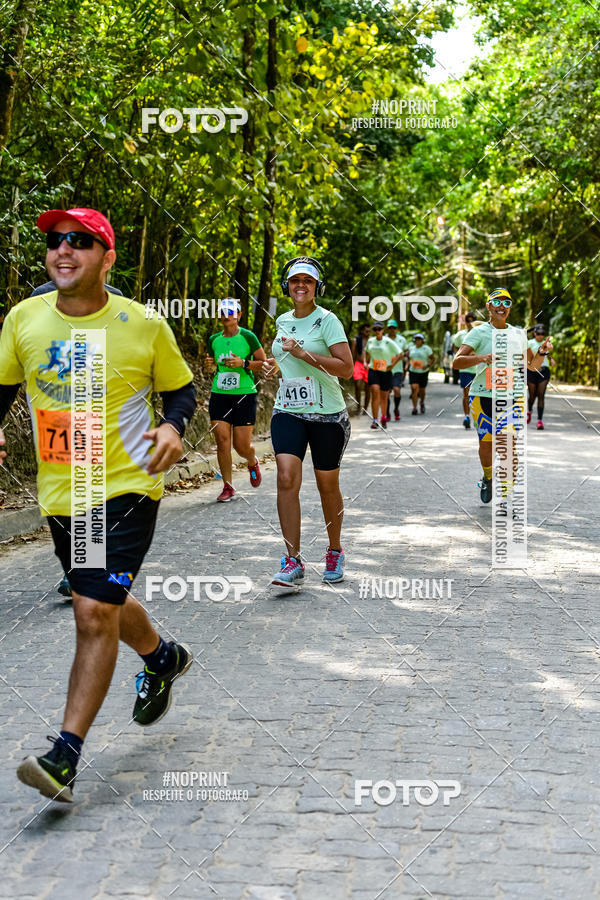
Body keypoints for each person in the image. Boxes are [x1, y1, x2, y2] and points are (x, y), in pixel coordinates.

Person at [1, 207, 196, 803]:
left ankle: (65, 755)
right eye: (57, 241)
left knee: (90, 612)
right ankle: (162, 657)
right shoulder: (24, 320)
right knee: (102, 601)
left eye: (81, 242)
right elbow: (4, 388)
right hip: (65, 491)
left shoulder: (141, 324)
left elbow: (182, 388)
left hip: (129, 486)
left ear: (107, 258)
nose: (65, 250)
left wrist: (173, 426)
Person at [269, 256, 353, 588]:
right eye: (294, 280)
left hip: (327, 414)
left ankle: (334, 550)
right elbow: (286, 360)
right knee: (287, 477)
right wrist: (273, 367)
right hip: (288, 410)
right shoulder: (282, 319)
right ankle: (292, 561)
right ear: (287, 286)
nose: (300, 285)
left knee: (326, 485)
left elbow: (346, 368)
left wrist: (307, 355)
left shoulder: (327, 321)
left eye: (307, 280)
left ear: (317, 286)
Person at [453, 287, 549, 502]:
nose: (502, 307)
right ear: (488, 306)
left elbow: (531, 366)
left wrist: (542, 352)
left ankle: (505, 496)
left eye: (507, 303)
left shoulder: (518, 333)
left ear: (510, 308)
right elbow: (457, 361)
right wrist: (482, 358)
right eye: (497, 302)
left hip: (512, 397)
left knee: (508, 443)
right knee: (486, 444)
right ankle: (488, 477)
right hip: (482, 396)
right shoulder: (478, 332)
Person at [204, 298, 273, 501]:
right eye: (223, 312)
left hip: (244, 394)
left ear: (239, 315)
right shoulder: (214, 339)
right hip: (220, 394)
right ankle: (228, 485)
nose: (226, 315)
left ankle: (252, 460)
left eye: (231, 312)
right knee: (222, 441)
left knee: (241, 446)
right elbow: (210, 365)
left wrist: (243, 363)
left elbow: (265, 363)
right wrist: (208, 365)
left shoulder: (248, 337)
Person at [365, 322, 402, 430]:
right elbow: (367, 353)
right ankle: (375, 420)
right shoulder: (371, 341)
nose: (377, 331)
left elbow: (400, 354)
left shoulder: (388, 342)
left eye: (379, 329)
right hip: (373, 370)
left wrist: (392, 365)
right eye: (375, 329)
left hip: (385, 371)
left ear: (383, 330)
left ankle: (384, 417)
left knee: (384, 396)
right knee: (375, 391)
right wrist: (365, 363)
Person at [451, 312, 478, 428]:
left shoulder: (481, 334)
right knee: (466, 393)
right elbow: (455, 348)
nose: (470, 324)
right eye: (468, 321)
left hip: (479, 369)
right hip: (465, 369)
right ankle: (467, 416)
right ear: (465, 322)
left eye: (472, 321)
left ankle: (478, 417)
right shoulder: (460, 335)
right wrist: (464, 355)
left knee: (478, 395)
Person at [527, 324, 555, 430]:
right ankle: (529, 411)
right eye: (538, 333)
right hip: (531, 371)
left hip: (544, 371)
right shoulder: (529, 343)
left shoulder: (547, 343)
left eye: (542, 334)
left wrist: (551, 358)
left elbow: (547, 352)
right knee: (532, 395)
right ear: (534, 333)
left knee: (541, 394)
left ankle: (539, 420)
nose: (540, 336)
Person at [385, 319, 407, 421]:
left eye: (393, 328)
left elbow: (406, 351)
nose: (392, 330)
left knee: (397, 390)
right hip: (385, 369)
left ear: (396, 329)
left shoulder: (402, 340)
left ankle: (396, 409)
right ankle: (387, 412)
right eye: (390, 328)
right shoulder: (384, 339)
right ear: (387, 329)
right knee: (387, 393)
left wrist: (403, 356)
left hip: (398, 369)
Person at [407, 333, 434, 415]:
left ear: (422, 341)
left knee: (422, 390)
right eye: (416, 339)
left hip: (423, 372)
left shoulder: (426, 349)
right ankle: (414, 408)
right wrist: (408, 365)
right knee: (414, 388)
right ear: (414, 340)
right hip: (413, 371)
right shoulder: (411, 348)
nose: (418, 341)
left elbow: (432, 358)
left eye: (419, 339)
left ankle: (422, 402)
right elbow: (409, 358)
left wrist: (427, 365)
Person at [351, 323, 371, 415]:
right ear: (362, 331)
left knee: (368, 388)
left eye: (369, 331)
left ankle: (365, 409)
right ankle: (358, 407)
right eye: (366, 331)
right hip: (358, 365)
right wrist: (351, 367)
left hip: (370, 365)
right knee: (358, 386)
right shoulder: (356, 341)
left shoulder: (372, 341)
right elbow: (353, 355)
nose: (368, 332)